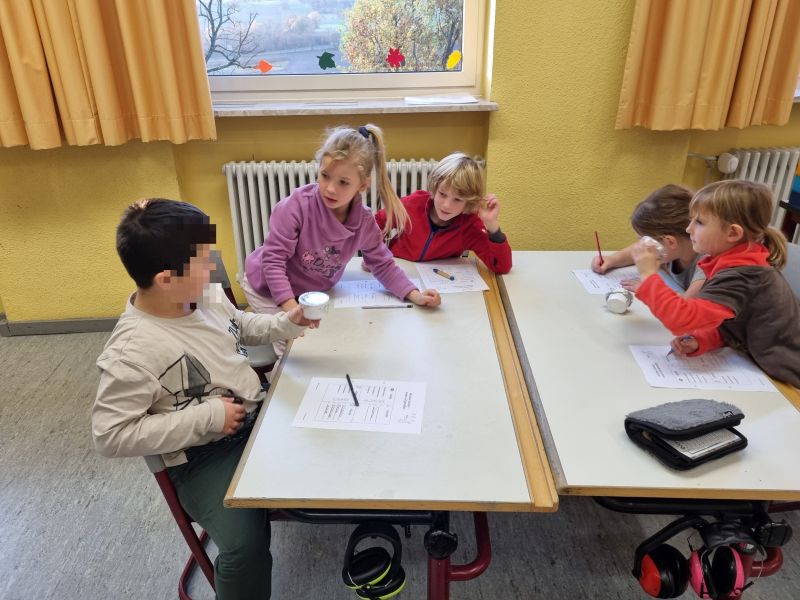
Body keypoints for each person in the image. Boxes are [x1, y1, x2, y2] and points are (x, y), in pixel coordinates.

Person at [92, 199, 316, 599]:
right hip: (202, 455)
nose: (212, 267)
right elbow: (110, 435)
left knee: (329, 441)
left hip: (254, 416)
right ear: (166, 280)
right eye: (202, 259)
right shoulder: (132, 352)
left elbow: (239, 325)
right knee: (244, 546)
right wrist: (208, 417)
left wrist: (286, 323)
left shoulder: (202, 294)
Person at [242, 124, 441, 336]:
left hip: (310, 295)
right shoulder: (296, 206)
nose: (330, 188)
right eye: (325, 175)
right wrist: (293, 312)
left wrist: (415, 294)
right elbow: (273, 262)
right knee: (294, 343)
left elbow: (382, 264)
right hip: (267, 289)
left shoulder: (363, 220)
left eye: (343, 182)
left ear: (362, 185)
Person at [632, 180, 800, 388]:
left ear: (733, 233)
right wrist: (702, 339)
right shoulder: (735, 262)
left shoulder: (742, 275)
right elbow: (733, 322)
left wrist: (648, 275)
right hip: (766, 366)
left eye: (699, 222)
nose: (689, 229)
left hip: (789, 379)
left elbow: (681, 320)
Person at [374, 152, 512, 274]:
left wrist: (492, 225)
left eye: (457, 199)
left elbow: (501, 267)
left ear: (469, 202)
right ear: (435, 188)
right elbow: (376, 222)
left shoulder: (470, 225)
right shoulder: (413, 205)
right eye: (442, 194)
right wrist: (375, 255)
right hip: (398, 271)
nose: (446, 205)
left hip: (438, 281)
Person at [591, 184, 705, 297]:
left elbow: (687, 303)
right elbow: (637, 250)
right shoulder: (676, 247)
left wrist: (649, 287)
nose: (643, 246)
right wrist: (612, 259)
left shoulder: (706, 265)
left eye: (645, 240)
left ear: (670, 242)